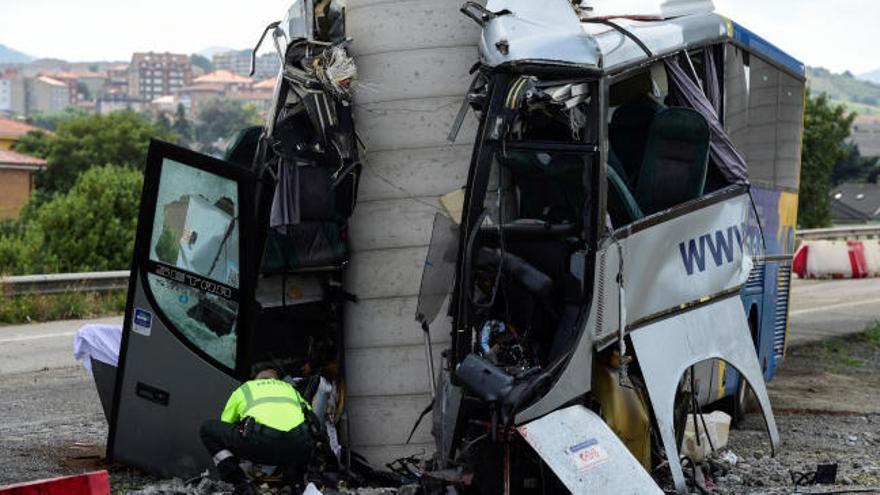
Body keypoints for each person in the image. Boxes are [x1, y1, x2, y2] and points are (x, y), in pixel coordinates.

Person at [201, 367, 316, 494]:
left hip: (258, 445)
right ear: (276, 380)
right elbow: (313, 420)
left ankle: (241, 484)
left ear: (256, 379)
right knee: (299, 435)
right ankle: (295, 483)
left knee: (208, 429)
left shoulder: (245, 389)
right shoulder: (289, 389)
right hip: (295, 448)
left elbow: (226, 423)